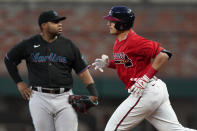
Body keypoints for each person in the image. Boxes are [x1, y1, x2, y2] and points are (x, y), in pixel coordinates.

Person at [92, 6, 196, 131]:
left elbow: (164, 54)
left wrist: (145, 78)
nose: (108, 23)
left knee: (112, 129)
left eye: (112, 21)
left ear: (122, 23)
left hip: (146, 91)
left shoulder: (134, 41)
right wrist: (108, 64)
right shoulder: (119, 41)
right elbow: (127, 63)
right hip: (153, 90)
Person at [4, 10, 98, 131]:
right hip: (39, 97)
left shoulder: (68, 45)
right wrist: (19, 83)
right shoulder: (29, 44)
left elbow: (82, 70)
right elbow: (9, 60)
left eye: (60, 22)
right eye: (55, 22)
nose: (60, 24)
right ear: (44, 25)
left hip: (65, 97)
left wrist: (94, 92)